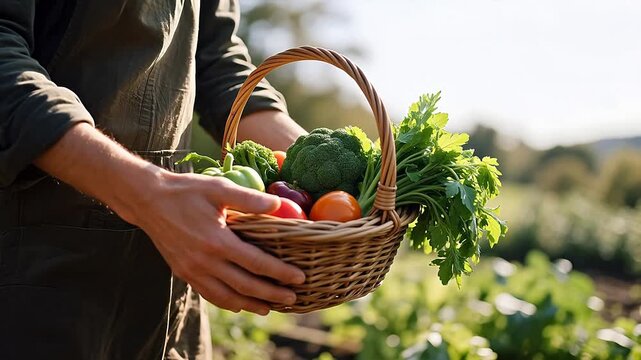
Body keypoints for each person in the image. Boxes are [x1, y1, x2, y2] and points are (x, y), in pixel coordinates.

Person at [0, 0, 308, 358]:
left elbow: (215, 57)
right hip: (34, 273)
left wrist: (328, 165)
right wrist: (151, 195)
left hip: (168, 283)